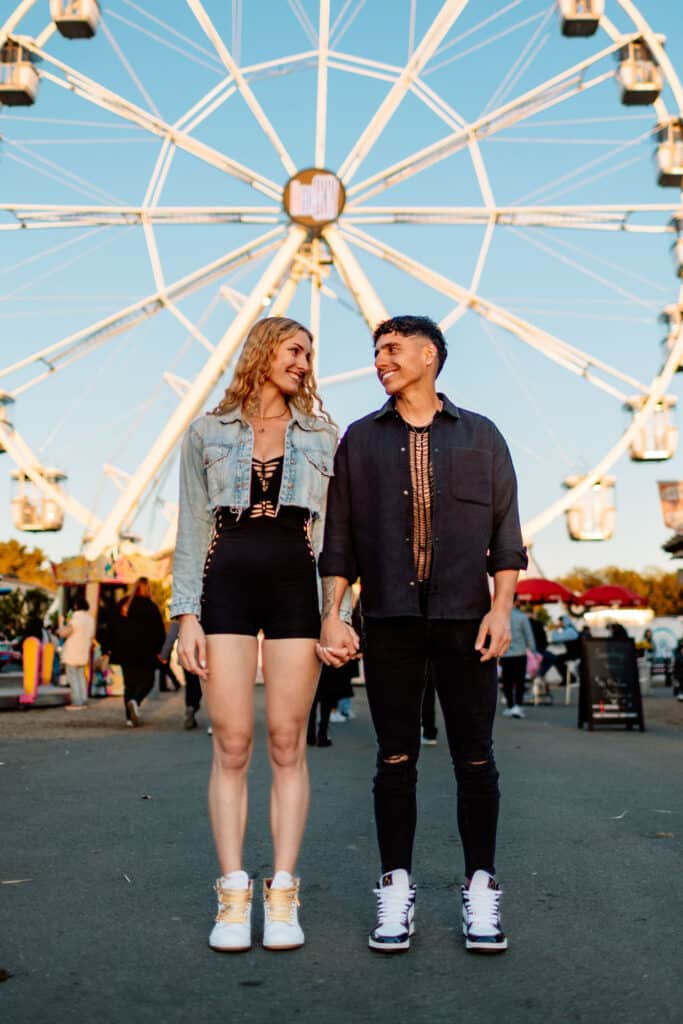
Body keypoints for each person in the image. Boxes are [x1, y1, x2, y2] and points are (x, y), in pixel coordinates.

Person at [318, 314, 527, 954]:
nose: (380, 359)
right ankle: (395, 886)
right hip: (389, 621)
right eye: (376, 351)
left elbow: (506, 534)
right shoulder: (359, 439)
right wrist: (333, 612)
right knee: (394, 758)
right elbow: (341, 539)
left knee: (475, 759)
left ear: (430, 355)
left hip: (468, 619)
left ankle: (482, 888)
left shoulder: (482, 436)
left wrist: (501, 609)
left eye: (392, 349)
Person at [171, 316, 349, 953]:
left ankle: (282, 893)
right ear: (264, 350)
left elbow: (335, 539)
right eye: (295, 349)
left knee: (285, 741)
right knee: (234, 744)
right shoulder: (205, 433)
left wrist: (339, 613)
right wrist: (184, 617)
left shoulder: (325, 436)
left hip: (296, 586)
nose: (304, 362)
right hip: (225, 588)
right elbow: (193, 529)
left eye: (309, 354)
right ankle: (232, 891)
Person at [110, 577, 166, 727]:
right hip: (145, 653)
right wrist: (162, 651)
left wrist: (107, 649)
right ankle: (136, 700)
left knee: (129, 684)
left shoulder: (122, 605)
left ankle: (129, 719)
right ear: (147, 588)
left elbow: (111, 627)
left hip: (124, 651)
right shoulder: (151, 607)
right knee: (148, 681)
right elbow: (159, 632)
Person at [159, 620, 203, 730]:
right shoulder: (207, 609)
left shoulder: (181, 611)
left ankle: (190, 706)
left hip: (187, 656)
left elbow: (171, 636)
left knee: (191, 684)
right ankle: (194, 706)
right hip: (204, 655)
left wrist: (164, 654)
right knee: (202, 686)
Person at [499, 595, 535, 719]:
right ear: (516, 601)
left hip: (505, 654)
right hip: (520, 654)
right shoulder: (522, 617)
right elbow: (528, 635)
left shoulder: (500, 617)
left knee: (506, 681)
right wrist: (533, 651)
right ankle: (518, 706)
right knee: (519, 681)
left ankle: (510, 706)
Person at [58, 595, 95, 710]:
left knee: (73, 677)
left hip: (72, 652)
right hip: (84, 652)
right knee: (81, 676)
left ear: (76, 606)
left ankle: (77, 702)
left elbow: (63, 633)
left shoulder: (75, 619)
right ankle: (83, 700)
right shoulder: (90, 619)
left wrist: (61, 623)